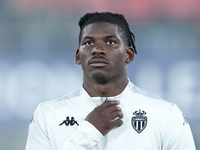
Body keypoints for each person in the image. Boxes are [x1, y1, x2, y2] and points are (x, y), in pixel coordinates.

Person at [25, 12, 196, 150]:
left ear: (128, 55)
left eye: (110, 42)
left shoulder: (166, 115)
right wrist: (89, 132)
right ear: (78, 56)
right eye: (88, 43)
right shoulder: (47, 115)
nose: (97, 49)